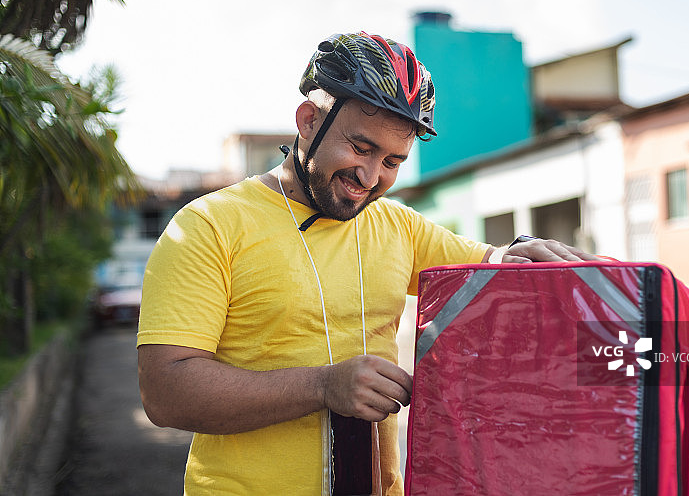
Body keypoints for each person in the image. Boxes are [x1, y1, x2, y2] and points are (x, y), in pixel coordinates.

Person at [137, 31, 597, 495]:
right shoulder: (209, 225)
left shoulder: (397, 225)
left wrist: (522, 252)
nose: (371, 178)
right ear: (308, 121)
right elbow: (164, 391)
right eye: (360, 148)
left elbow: (492, 270)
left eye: (393, 161)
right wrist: (322, 388)